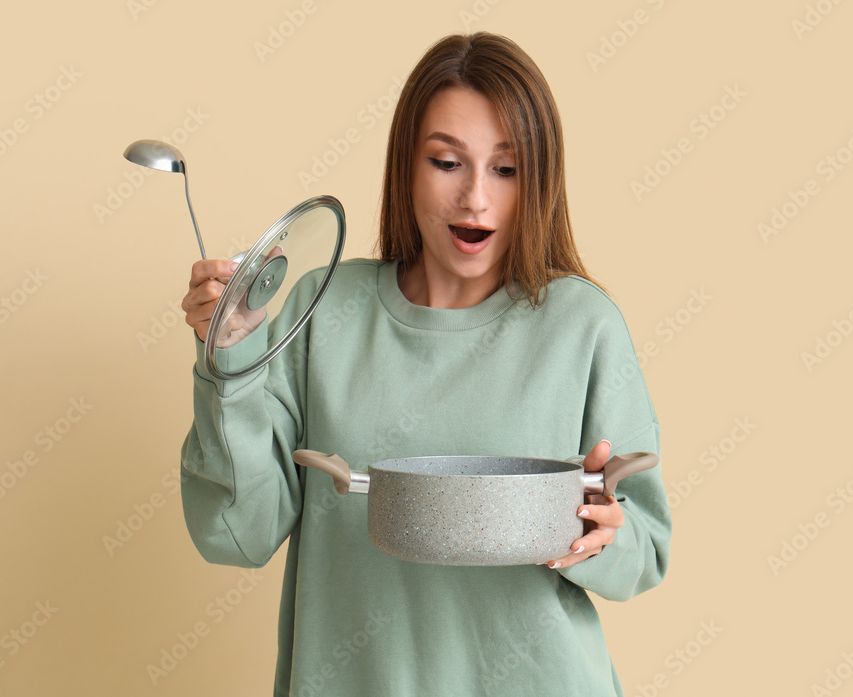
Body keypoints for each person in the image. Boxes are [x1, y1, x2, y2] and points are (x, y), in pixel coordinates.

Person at [180, 32, 670, 697]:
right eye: (447, 161)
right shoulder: (327, 309)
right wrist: (230, 362)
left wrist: (600, 533)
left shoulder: (583, 326)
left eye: (507, 168)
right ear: (405, 165)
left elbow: (645, 550)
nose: (475, 197)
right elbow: (237, 534)